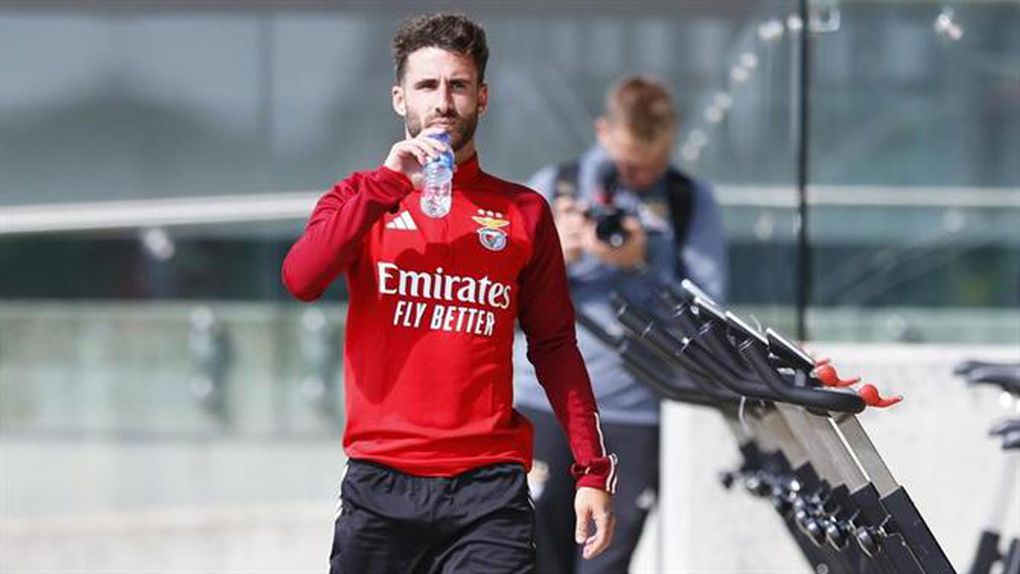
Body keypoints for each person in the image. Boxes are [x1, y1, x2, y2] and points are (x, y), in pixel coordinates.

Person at [281, 13, 616, 574]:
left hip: (488, 490)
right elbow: (301, 279)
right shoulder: (359, 197)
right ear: (399, 98)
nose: (442, 102)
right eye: (427, 85)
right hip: (381, 483)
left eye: (458, 85)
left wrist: (591, 469)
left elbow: (556, 347)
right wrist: (388, 184)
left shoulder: (524, 212)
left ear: (482, 97)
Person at [514, 75, 728, 574]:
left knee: (605, 563)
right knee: (531, 555)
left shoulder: (688, 200)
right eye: (630, 165)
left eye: (655, 163)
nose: (641, 177)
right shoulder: (555, 186)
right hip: (545, 405)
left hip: (635, 414)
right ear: (603, 132)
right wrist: (552, 259)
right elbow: (501, 301)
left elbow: (709, 312)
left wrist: (643, 264)